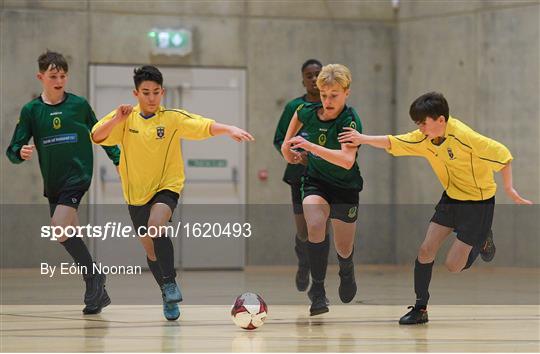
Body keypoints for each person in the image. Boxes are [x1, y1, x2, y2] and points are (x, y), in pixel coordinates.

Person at [338, 91, 532, 324]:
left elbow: (503, 155)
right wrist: (362, 138)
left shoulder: (465, 137)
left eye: (423, 123)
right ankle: (420, 309)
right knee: (425, 250)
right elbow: (393, 141)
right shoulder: (424, 139)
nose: (420, 128)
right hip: (451, 198)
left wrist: (509, 189)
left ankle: (483, 239)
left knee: (453, 266)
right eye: (417, 123)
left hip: (478, 204)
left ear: (441, 120)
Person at [91, 65, 254, 321]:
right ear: (136, 93)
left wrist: (229, 129)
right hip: (135, 194)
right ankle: (166, 294)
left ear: (162, 91)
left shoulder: (172, 118)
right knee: (151, 251)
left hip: (167, 186)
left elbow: (203, 125)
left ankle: (170, 284)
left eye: (156, 92)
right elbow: (96, 136)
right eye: (146, 92)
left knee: (156, 226)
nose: (151, 97)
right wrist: (116, 120)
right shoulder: (124, 118)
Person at [6, 50, 121, 314]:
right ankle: (97, 290)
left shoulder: (79, 105)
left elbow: (100, 133)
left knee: (58, 226)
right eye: (53, 75)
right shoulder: (31, 111)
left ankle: (93, 279)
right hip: (54, 182)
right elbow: (13, 148)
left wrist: (117, 159)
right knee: (67, 234)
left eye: (62, 75)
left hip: (78, 175)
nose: (59, 80)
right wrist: (19, 153)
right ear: (41, 77)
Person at [281, 64, 364, 316]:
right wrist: (288, 150)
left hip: (345, 186)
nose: (328, 101)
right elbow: (292, 129)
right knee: (315, 225)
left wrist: (310, 147)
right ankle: (317, 291)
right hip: (315, 181)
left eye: (334, 95)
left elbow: (346, 160)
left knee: (343, 246)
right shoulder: (306, 110)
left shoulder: (349, 119)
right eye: (324, 94)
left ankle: (346, 269)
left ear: (346, 93)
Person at [273, 59, 331, 292]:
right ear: (303, 79)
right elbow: (280, 140)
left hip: (327, 177)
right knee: (303, 231)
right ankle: (303, 263)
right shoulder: (294, 108)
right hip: (299, 175)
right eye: (309, 75)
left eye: (318, 74)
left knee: (322, 229)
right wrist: (295, 155)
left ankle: (319, 281)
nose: (314, 79)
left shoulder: (333, 105)